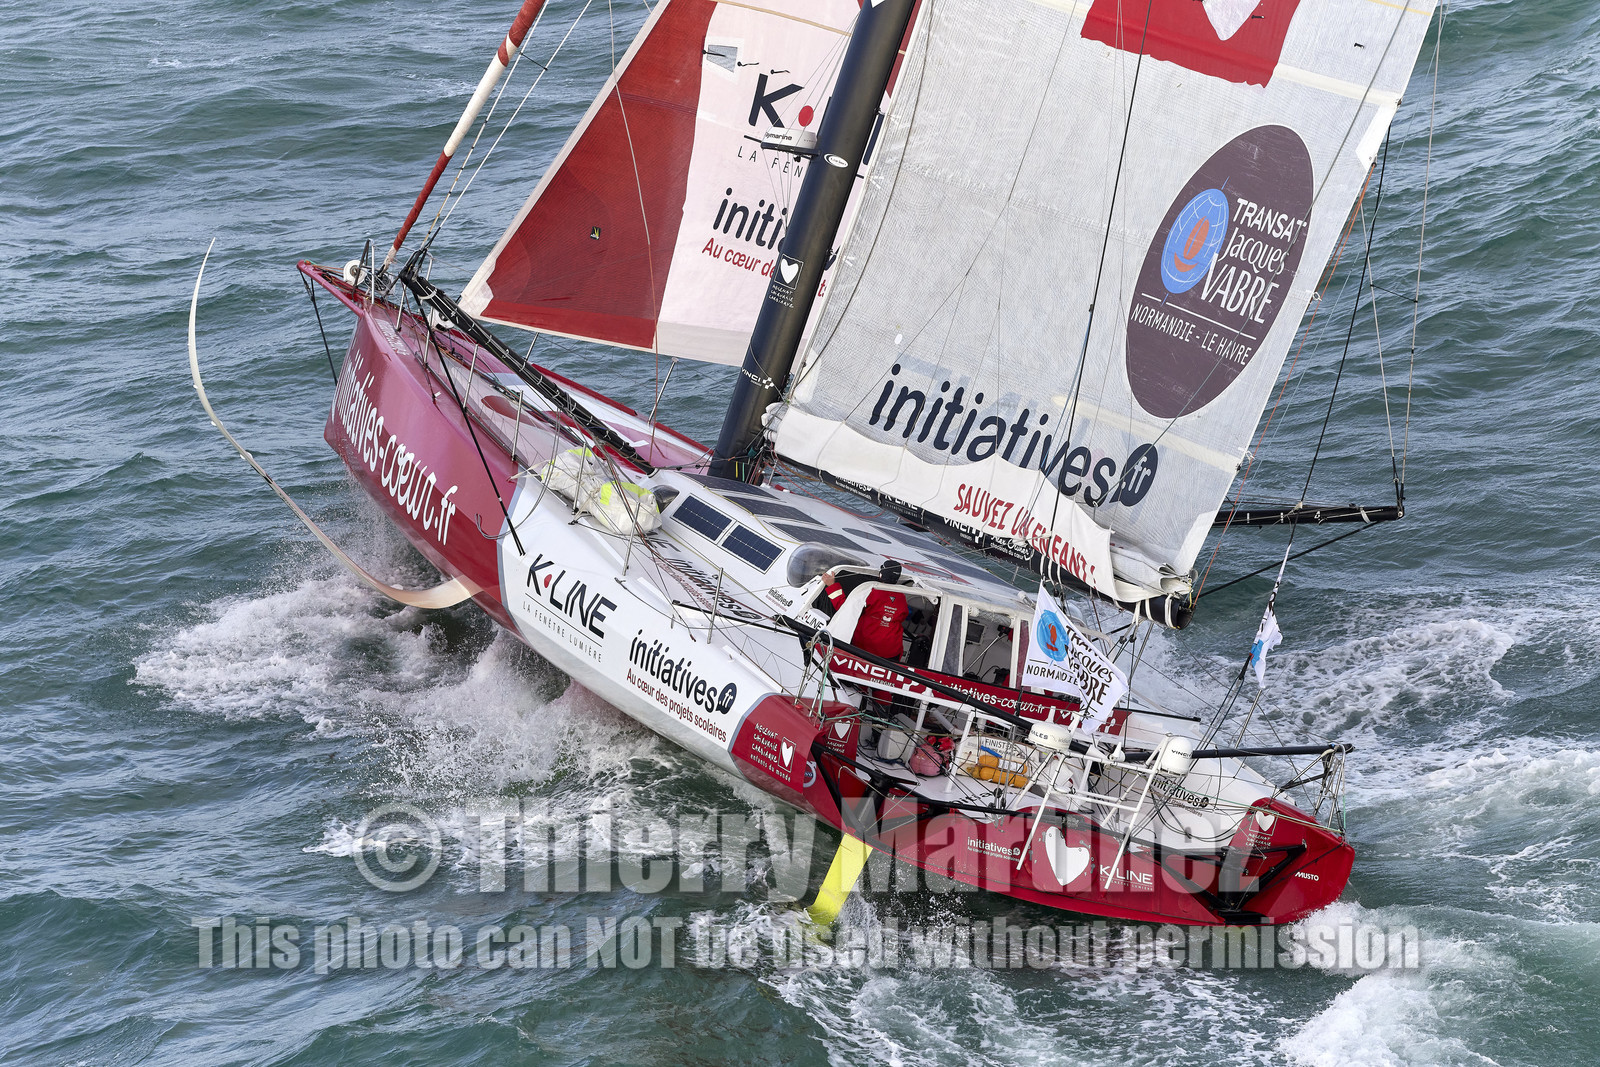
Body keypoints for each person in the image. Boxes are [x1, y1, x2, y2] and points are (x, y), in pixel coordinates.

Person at [820, 561, 909, 661]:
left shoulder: (870, 590)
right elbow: (903, 615)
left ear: (881, 574)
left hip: (865, 649)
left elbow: (844, 608)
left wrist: (832, 586)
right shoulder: (902, 597)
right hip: (891, 653)